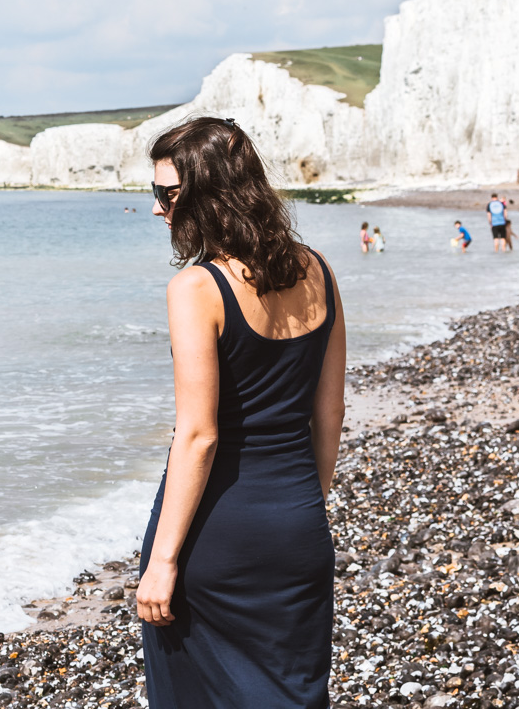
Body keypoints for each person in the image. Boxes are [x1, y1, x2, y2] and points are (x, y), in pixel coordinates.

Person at [139, 116, 345, 708]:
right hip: (297, 522)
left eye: (166, 193)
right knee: (291, 690)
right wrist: (309, 501)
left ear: (207, 193)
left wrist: (162, 561)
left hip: (216, 534)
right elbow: (328, 413)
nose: (158, 209)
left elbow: (199, 436)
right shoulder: (319, 271)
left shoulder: (197, 288)